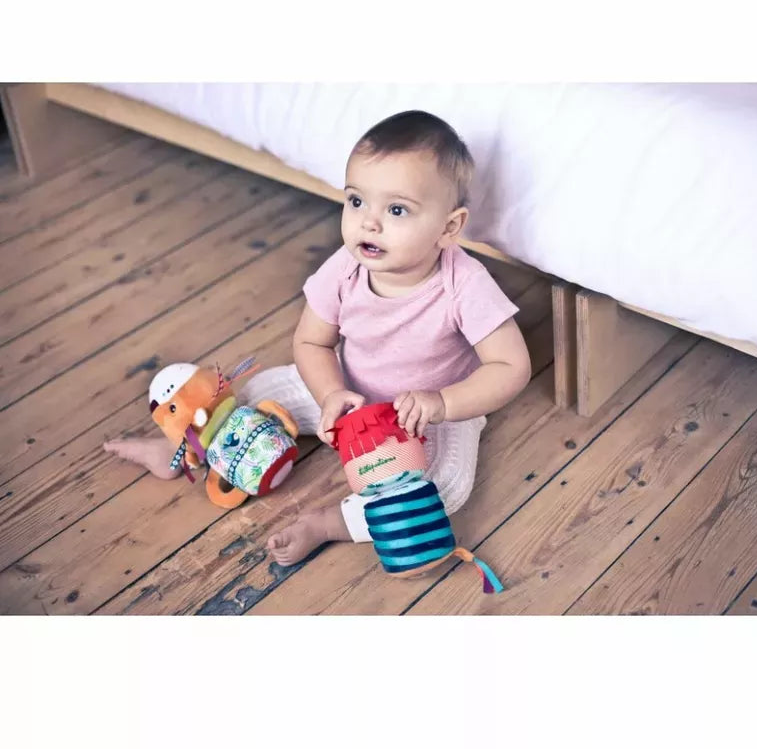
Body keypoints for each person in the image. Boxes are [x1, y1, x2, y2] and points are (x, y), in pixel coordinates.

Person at [104, 110, 532, 565]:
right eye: (356, 202)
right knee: (257, 390)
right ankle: (179, 449)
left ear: (449, 227)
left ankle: (331, 523)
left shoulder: (464, 284)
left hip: (430, 415)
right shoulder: (345, 269)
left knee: (443, 489)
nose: (369, 223)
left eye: (397, 209)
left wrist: (443, 403)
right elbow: (312, 343)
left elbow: (511, 367)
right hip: (350, 390)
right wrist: (330, 394)